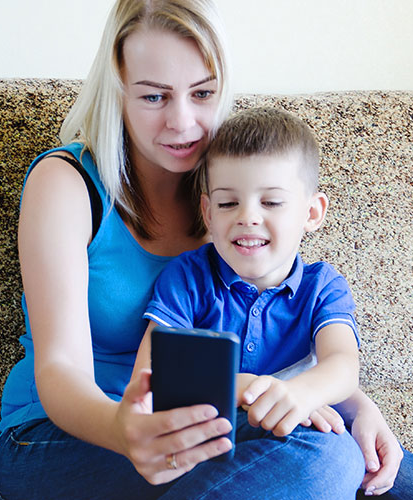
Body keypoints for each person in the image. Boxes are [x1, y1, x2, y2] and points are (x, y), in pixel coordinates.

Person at [0, 0, 413, 498]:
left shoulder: (237, 187)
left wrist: (355, 404)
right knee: (324, 459)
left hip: (211, 416)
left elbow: (286, 341)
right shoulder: (67, 184)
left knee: (327, 447)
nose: (183, 121)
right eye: (155, 96)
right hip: (62, 439)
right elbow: (60, 370)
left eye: (203, 94)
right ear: (118, 86)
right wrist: (124, 430)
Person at [132, 106, 365, 496]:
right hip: (213, 434)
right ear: (207, 212)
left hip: (296, 425)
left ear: (311, 213)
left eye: (271, 202)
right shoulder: (188, 278)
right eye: (228, 204)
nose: (248, 217)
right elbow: (152, 377)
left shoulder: (323, 285)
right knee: (336, 456)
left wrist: (302, 394)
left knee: (386, 467)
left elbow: (342, 364)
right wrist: (249, 386)